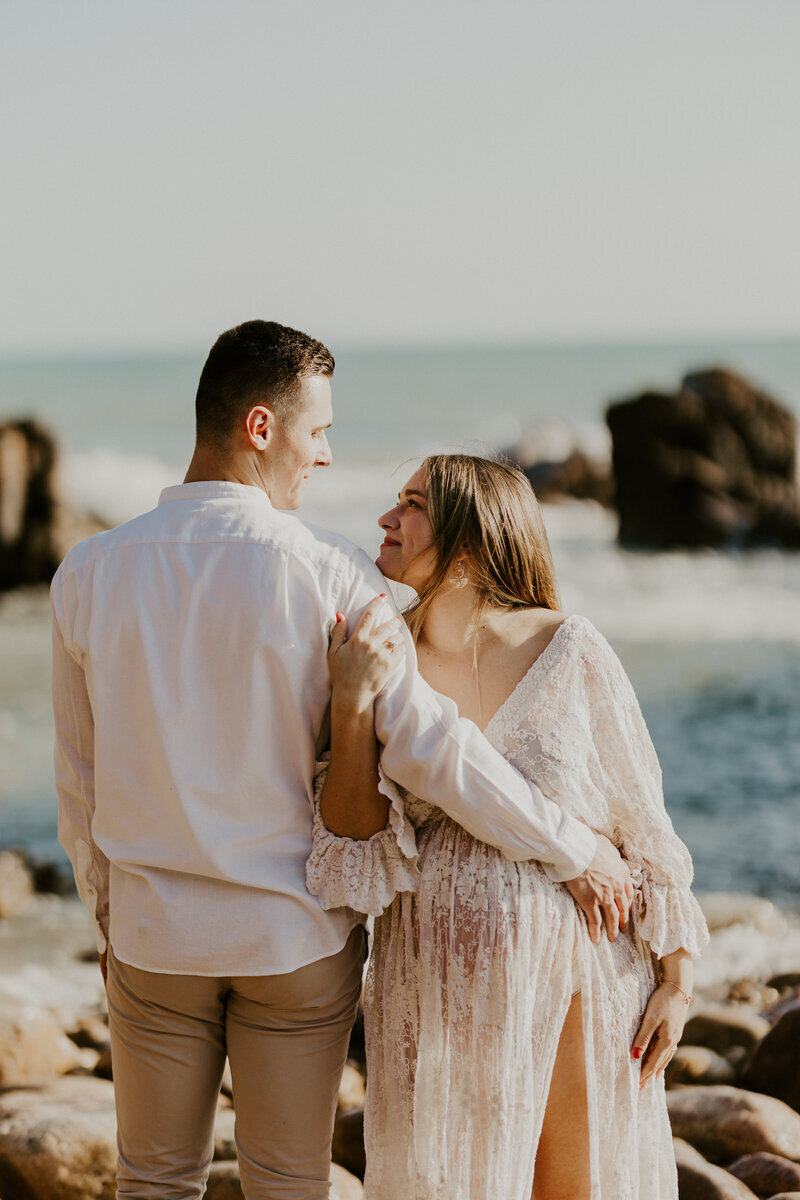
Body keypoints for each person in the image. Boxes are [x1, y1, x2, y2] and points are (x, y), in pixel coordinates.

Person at [51, 323, 634, 1200]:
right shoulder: (329, 574)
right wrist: (572, 847)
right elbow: (435, 751)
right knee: (289, 1181)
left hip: (155, 937)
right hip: (292, 943)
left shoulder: (87, 574)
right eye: (316, 433)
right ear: (259, 428)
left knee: (153, 1181)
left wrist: (106, 915)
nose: (323, 458)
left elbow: (79, 781)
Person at [307, 453, 710, 1200]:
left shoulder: (571, 648)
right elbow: (353, 836)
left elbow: (644, 823)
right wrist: (352, 703)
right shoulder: (383, 654)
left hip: (582, 975)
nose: (386, 519)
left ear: (470, 535)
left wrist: (678, 983)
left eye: (412, 502)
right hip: (435, 991)